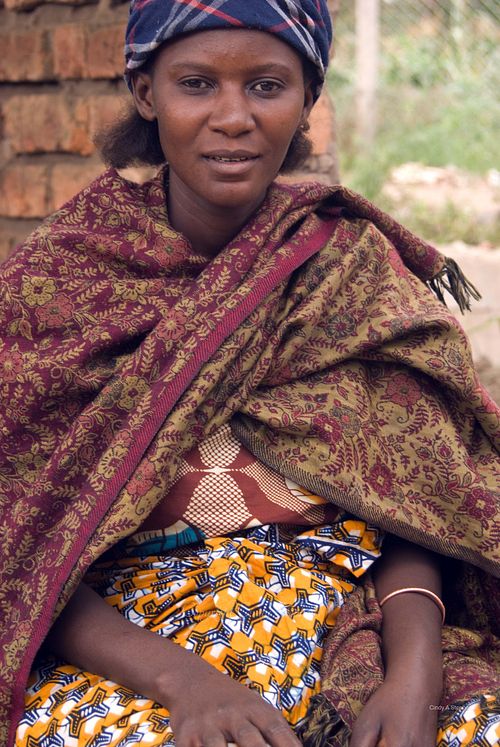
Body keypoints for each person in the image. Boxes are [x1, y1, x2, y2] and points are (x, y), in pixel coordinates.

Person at [1, 1, 498, 746]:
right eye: (196, 84)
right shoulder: (59, 284)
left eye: (266, 86)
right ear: (146, 93)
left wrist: (416, 678)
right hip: (128, 655)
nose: (233, 117)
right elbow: (24, 544)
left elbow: (418, 504)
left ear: (307, 100)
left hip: (354, 629)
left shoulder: (354, 277)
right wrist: (185, 683)